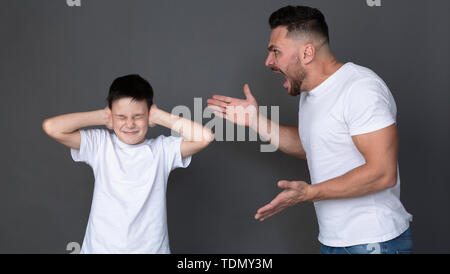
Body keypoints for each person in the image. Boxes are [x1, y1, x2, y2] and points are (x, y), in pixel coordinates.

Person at [207, 5, 413, 254]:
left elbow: (382, 173)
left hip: (375, 242)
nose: (268, 61)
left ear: (307, 53)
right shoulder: (311, 94)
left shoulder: (360, 88)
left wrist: (309, 192)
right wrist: (256, 121)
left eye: (276, 51)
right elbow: (314, 145)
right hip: (333, 241)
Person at [42, 74, 213, 253]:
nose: (129, 124)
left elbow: (204, 138)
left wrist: (160, 116)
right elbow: (52, 127)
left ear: (149, 115)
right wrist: (102, 116)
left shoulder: (162, 150)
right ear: (111, 115)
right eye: (121, 116)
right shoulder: (100, 145)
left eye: (138, 116)